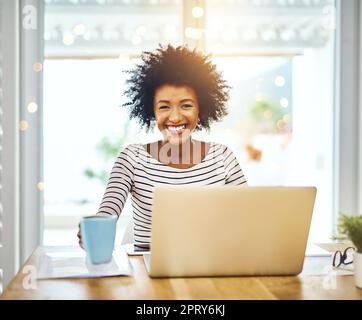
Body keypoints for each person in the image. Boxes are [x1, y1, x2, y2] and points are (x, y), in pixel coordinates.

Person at [77, 44, 247, 249]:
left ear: (201, 109)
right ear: (151, 111)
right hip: (147, 273)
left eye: (186, 105)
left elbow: (247, 218)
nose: (175, 117)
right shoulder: (132, 159)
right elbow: (108, 212)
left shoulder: (223, 157)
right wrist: (93, 229)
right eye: (164, 107)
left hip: (210, 268)